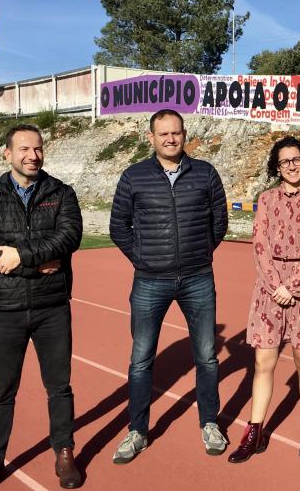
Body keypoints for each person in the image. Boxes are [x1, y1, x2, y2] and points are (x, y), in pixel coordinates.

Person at [0, 124, 83, 490]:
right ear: (7, 154)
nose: (33, 155)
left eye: (38, 148)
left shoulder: (61, 192)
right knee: (2, 391)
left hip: (52, 307)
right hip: (6, 309)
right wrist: (34, 262)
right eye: (24, 149)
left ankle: (64, 454)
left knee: (59, 387)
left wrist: (20, 255)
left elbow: (68, 237)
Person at [109, 109, 228, 462]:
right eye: (163, 134)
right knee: (141, 359)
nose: (170, 139)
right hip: (149, 281)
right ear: (151, 137)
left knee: (206, 357)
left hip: (197, 278)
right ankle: (137, 430)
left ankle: (210, 423)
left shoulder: (205, 173)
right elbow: (119, 227)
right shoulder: (133, 177)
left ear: (184, 134)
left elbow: (219, 221)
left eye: (176, 133)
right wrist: (144, 258)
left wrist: (201, 251)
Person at [227, 136, 300, 463]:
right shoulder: (267, 199)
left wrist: (293, 285)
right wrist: (276, 286)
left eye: (296, 159)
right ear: (276, 166)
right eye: (285, 161)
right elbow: (260, 246)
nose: (291, 165)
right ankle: (254, 430)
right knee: (263, 362)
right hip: (270, 291)